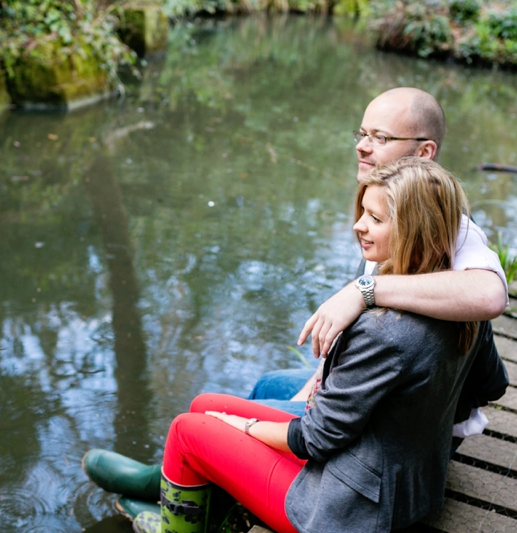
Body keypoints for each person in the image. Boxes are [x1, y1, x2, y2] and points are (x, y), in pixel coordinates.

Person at [81, 87, 509, 506]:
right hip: (383, 417)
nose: (362, 147)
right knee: (265, 387)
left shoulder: (452, 241)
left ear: (424, 153)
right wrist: (326, 380)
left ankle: (177, 488)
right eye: (361, 134)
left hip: (384, 455)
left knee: (209, 424)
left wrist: (368, 298)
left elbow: (490, 300)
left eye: (380, 138)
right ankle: (190, 481)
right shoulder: (400, 224)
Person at [130, 157, 508, 533]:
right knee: (205, 406)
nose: (359, 225)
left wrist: (243, 428)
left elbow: (315, 438)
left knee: (186, 430)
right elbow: (491, 384)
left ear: (416, 230)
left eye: (376, 219)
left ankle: (175, 528)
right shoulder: (462, 304)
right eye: (363, 212)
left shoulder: (385, 331)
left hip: (345, 509)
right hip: (403, 481)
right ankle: (214, 522)